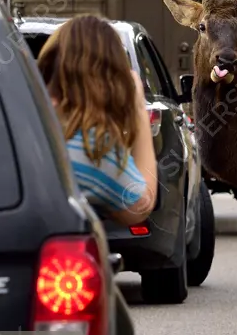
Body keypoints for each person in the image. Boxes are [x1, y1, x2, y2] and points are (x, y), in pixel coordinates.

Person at [36, 14, 158, 226]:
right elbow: (140, 206)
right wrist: (138, 106)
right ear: (113, 81)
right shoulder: (94, 149)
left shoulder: (20, 118)